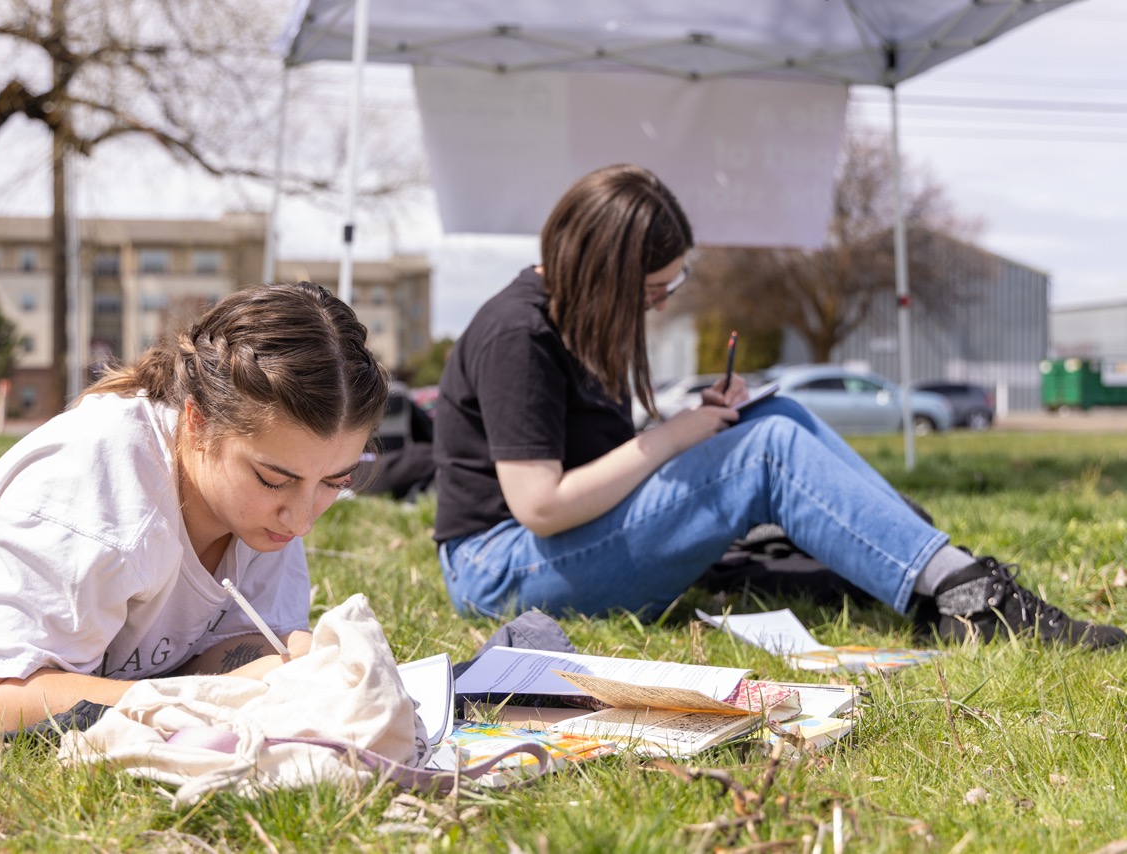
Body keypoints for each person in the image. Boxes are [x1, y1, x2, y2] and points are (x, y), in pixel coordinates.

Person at [432, 164, 1124, 650]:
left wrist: (696, 424)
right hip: (501, 569)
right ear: (603, 274)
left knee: (774, 418)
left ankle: (928, 564)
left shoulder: (573, 320)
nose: (663, 304)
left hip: (553, 547)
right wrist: (673, 438)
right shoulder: (517, 335)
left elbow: (590, 461)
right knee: (766, 452)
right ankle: (966, 596)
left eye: (673, 285)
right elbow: (541, 505)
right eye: (654, 291)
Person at [0, 282, 390, 733]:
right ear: (197, 423)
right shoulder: (103, 495)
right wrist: (198, 704)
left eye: (334, 481)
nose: (302, 520)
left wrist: (294, 662)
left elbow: (206, 648)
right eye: (275, 480)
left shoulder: (261, 507)